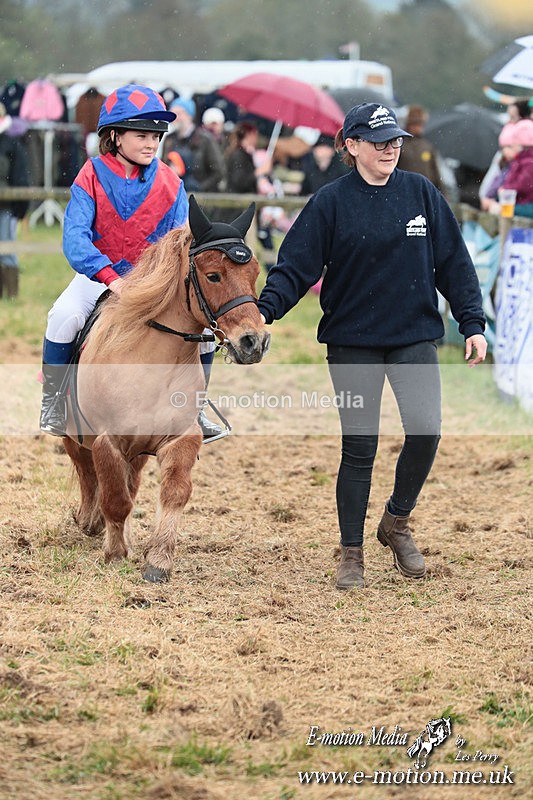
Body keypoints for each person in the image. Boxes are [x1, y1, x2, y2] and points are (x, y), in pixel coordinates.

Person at [257, 102, 487, 590]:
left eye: (395, 140)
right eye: (378, 141)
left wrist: (472, 323)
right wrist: (265, 309)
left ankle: (396, 522)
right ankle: (351, 551)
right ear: (351, 146)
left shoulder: (421, 193)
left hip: (413, 336)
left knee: (426, 432)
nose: (390, 149)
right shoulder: (331, 202)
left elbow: (454, 262)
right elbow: (296, 265)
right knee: (359, 447)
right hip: (352, 340)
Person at [39, 84, 220, 439]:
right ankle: (54, 402)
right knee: (63, 317)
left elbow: (180, 241)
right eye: (142, 135)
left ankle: (196, 409)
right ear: (116, 136)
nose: (152, 143)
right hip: (97, 277)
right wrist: (109, 276)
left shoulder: (171, 182)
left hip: (152, 282)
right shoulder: (90, 174)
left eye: (157, 135)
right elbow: (75, 238)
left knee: (207, 334)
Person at [162, 97, 225, 193]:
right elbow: (163, 167)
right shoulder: (169, 139)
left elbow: (218, 171)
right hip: (175, 195)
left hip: (202, 199)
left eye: (180, 113)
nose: (176, 117)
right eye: (173, 113)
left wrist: (200, 189)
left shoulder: (205, 139)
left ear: (189, 115)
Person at [0, 102, 30, 299]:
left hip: (7, 207)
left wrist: (20, 208)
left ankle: (12, 295)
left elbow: (20, 178)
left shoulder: (12, 144)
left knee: (7, 248)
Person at [397, 105, 444, 193]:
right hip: (404, 190)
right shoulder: (399, 144)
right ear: (409, 124)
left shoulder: (428, 146)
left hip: (425, 191)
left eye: (420, 125)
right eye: (415, 124)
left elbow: (435, 173)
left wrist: (443, 193)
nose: (419, 128)